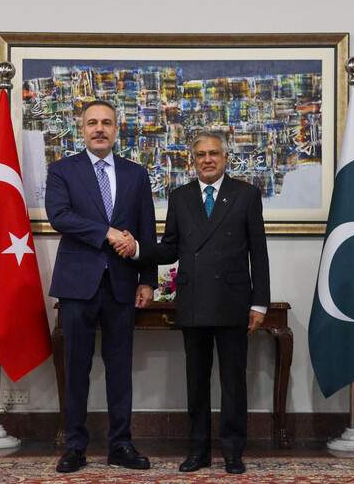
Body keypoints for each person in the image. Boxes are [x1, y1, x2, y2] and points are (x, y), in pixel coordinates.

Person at [116, 130, 270, 475]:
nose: (208, 160)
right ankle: (198, 452)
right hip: (194, 301)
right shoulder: (180, 196)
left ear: (226, 158)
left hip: (233, 302)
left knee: (233, 383)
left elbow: (258, 252)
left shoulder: (245, 194)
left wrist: (260, 303)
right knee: (196, 383)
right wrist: (138, 249)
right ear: (192, 161)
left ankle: (233, 453)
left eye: (214, 153)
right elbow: (170, 247)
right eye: (201, 154)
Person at [45, 100, 157, 473]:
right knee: (76, 367)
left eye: (106, 123)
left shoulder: (136, 174)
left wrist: (148, 279)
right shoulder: (62, 170)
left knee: (120, 368)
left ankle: (120, 445)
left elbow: (146, 228)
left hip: (122, 284)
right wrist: (107, 232)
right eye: (92, 122)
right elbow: (60, 216)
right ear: (82, 129)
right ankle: (75, 446)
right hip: (77, 284)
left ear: (116, 129)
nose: (99, 129)